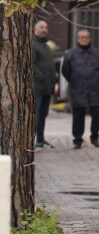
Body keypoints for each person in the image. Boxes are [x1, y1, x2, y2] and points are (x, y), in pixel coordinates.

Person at [61, 29, 99, 149]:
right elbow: (65, 71)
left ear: (90, 39)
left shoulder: (96, 53)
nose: (84, 39)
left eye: (86, 37)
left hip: (94, 90)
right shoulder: (71, 54)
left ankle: (95, 138)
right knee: (78, 116)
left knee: (96, 115)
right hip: (77, 89)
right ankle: (77, 140)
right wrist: (74, 80)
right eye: (81, 37)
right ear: (77, 39)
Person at [32, 20, 57, 150]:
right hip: (38, 87)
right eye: (42, 27)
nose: (44, 29)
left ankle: (40, 140)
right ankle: (34, 140)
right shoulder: (33, 44)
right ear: (35, 29)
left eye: (46, 27)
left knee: (43, 114)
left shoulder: (46, 46)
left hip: (47, 87)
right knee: (36, 114)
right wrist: (40, 77)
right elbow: (31, 64)